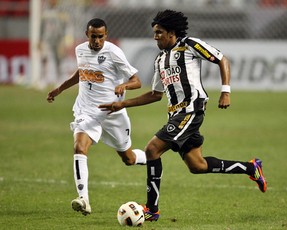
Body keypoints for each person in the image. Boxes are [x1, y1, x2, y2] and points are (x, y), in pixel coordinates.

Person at [99, 10, 267, 221]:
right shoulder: (160, 59)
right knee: (198, 166)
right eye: (154, 32)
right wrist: (122, 104)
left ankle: (152, 209)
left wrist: (226, 91)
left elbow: (222, 59)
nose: (155, 36)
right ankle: (252, 167)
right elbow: (155, 94)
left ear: (171, 32)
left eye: (159, 32)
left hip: (191, 110)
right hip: (175, 115)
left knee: (152, 149)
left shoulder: (189, 45)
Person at [47, 18, 146, 216]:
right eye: (94, 36)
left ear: (106, 36)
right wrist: (59, 89)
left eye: (101, 37)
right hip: (87, 109)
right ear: (87, 35)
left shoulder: (114, 53)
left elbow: (137, 81)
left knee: (128, 158)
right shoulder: (80, 50)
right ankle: (84, 199)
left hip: (112, 110)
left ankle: (151, 157)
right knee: (79, 146)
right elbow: (81, 73)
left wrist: (123, 86)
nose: (97, 41)